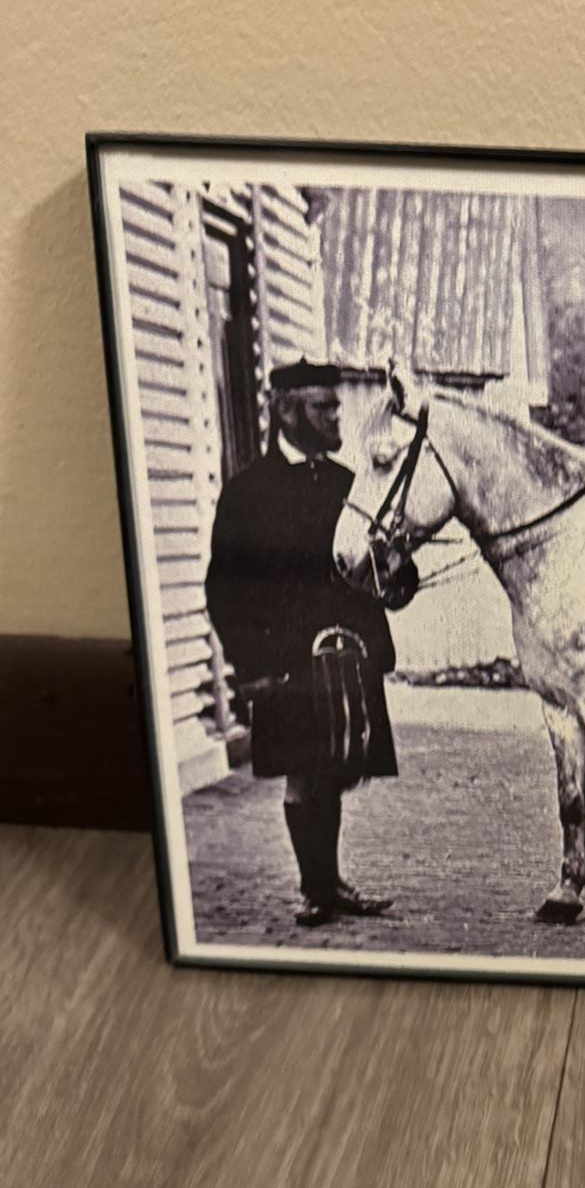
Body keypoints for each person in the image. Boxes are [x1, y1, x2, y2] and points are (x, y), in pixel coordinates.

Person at [205, 359, 398, 927]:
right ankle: (315, 889)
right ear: (288, 413)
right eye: (324, 407)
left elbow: (364, 572)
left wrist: (391, 582)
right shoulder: (247, 493)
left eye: (336, 406)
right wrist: (251, 666)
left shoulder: (346, 485)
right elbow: (225, 589)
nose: (336, 416)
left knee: (333, 769)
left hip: (344, 657)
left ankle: (330, 882)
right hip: (285, 662)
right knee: (302, 773)